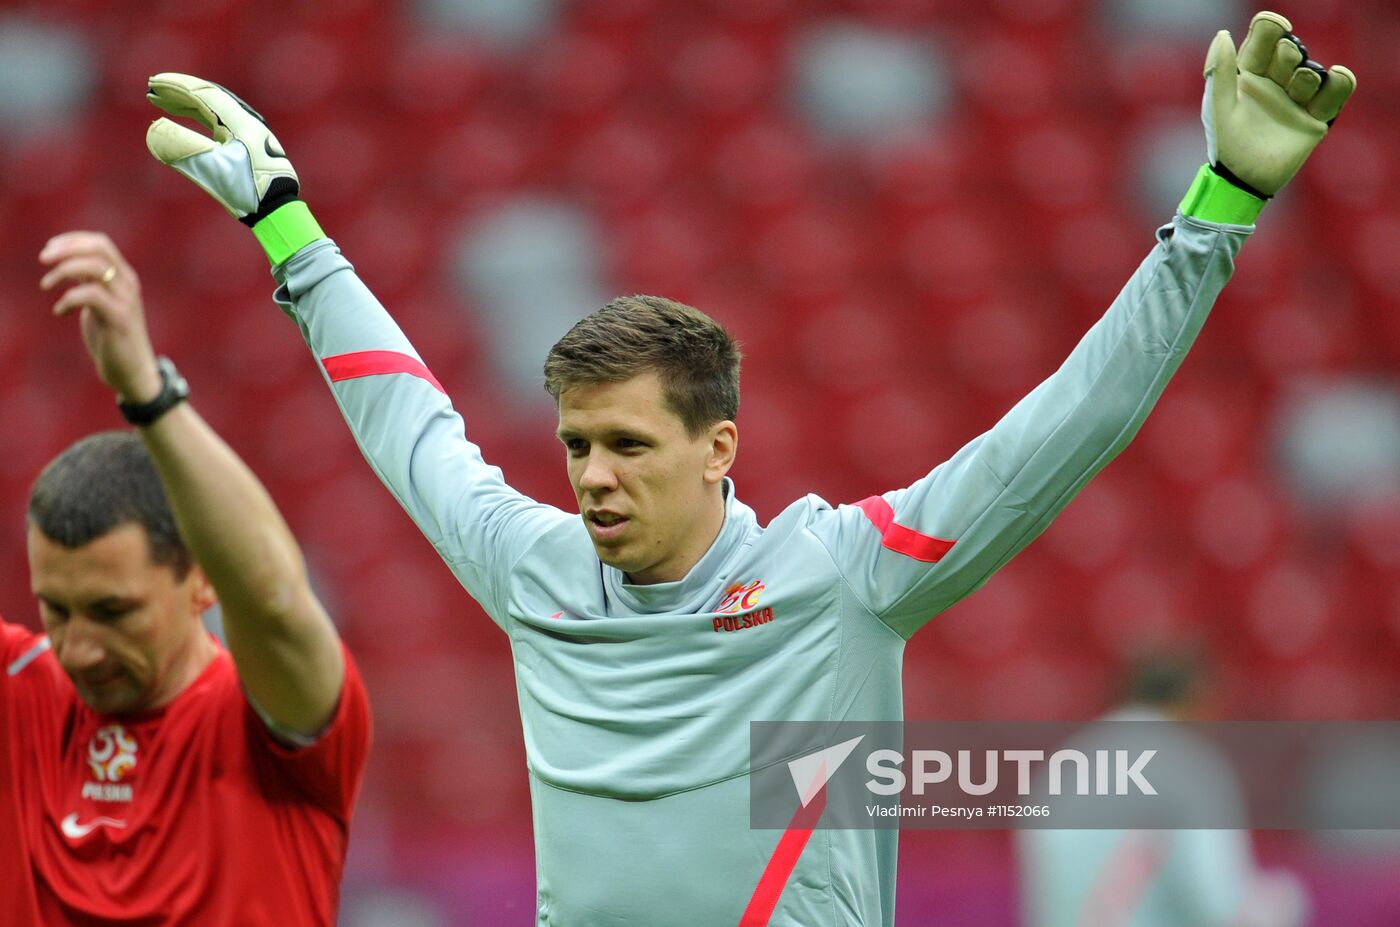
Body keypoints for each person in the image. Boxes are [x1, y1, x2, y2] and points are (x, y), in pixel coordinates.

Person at [141, 10, 1352, 926]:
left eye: (627, 445)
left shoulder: (839, 578)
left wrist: (1220, 204)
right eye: (575, 446)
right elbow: (407, 421)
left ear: (717, 448)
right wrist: (287, 230)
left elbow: (1069, 420)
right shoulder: (532, 568)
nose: (592, 478)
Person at [0, 232, 372, 925]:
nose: (78, 647)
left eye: (114, 610)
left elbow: (274, 597)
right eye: (57, 608)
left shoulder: (271, 730)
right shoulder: (18, 691)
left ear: (203, 581)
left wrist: (147, 392)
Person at [1016, 653, 1311, 927]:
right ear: (1196, 697)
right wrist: (1288, 900)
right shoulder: (1188, 766)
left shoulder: (1060, 771)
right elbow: (1220, 903)